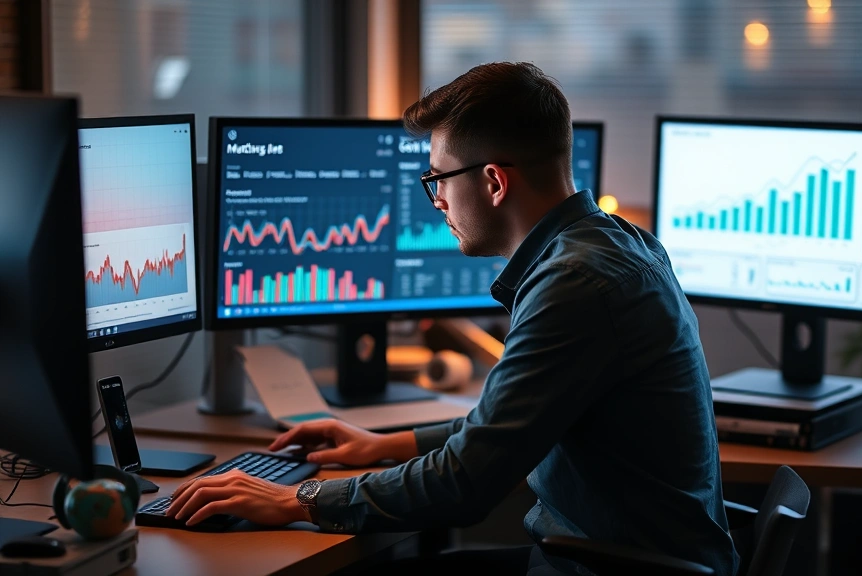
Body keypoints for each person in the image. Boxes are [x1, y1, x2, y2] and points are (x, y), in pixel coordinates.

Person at [166, 62, 739, 576]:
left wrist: (297, 499)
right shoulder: (619, 245)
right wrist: (386, 444)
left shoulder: (576, 285)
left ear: (493, 181)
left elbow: (466, 482)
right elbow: (516, 423)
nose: (434, 200)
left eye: (437, 179)